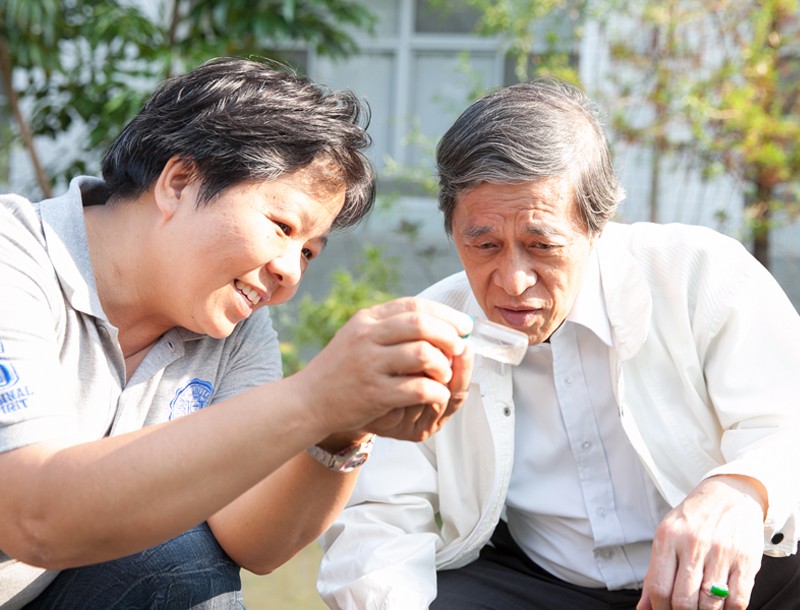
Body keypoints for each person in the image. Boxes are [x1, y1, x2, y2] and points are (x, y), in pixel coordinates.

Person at [0, 57, 474, 610]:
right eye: (282, 227)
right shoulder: (17, 262)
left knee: (185, 561)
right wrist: (314, 396)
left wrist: (339, 432)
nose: (289, 273)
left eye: (309, 253)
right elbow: (34, 515)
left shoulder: (237, 328)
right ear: (179, 181)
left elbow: (250, 539)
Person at [317, 77, 800, 610]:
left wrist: (741, 489)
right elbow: (378, 520)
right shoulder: (433, 328)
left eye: (540, 245)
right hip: (539, 583)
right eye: (485, 245)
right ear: (453, 229)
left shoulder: (698, 275)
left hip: (732, 574)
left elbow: (787, 424)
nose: (513, 280)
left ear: (597, 225)